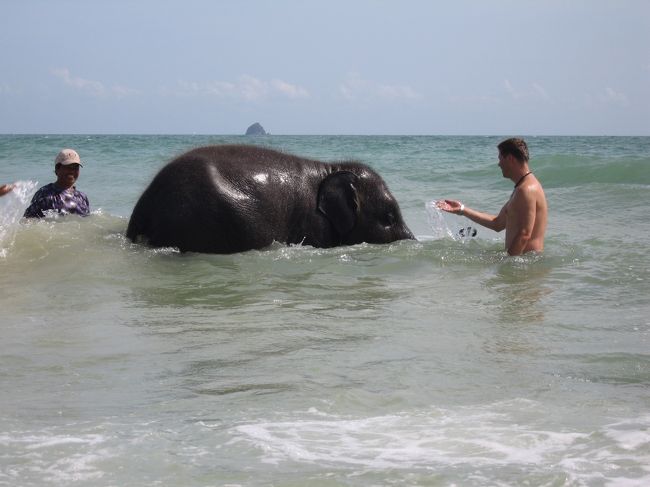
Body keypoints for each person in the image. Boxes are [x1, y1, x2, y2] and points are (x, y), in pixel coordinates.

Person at [437, 137, 547, 255]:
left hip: (527, 266)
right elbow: (498, 223)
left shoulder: (527, 190)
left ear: (510, 158)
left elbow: (524, 234)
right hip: (522, 262)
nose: (499, 164)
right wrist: (462, 209)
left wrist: (507, 264)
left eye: (500, 158)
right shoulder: (522, 187)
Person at [23, 149, 90, 218]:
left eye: (76, 167)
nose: (72, 171)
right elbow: (27, 221)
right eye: (68, 167)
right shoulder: (44, 194)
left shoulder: (82, 197)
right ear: (57, 169)